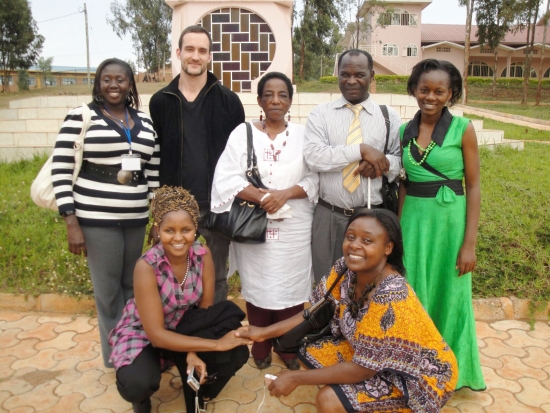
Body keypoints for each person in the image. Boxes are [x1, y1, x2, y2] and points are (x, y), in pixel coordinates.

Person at [237, 209, 458, 413]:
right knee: (309, 350)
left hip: (416, 378)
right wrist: (263, 333)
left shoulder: (391, 295)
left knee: (327, 399)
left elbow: (364, 370)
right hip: (373, 359)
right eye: (350, 237)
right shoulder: (345, 268)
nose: (354, 245)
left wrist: (295, 378)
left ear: (388, 248)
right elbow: (312, 310)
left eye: (367, 241)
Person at [51, 58, 159, 368]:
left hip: (136, 216)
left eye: (120, 80)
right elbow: (61, 168)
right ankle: (117, 360)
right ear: (98, 83)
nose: (114, 85)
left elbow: (152, 169)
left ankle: (131, 347)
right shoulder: (80, 117)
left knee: (132, 286)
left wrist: (155, 216)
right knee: (108, 292)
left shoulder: (144, 122)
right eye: (106, 79)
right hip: (97, 218)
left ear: (130, 84)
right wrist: (71, 220)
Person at [210, 72, 319, 371]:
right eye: (268, 94)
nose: (275, 100)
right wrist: (262, 197)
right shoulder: (241, 133)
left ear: (290, 100)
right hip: (254, 224)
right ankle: (260, 344)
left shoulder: (303, 135)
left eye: (282, 95)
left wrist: (284, 194)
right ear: (259, 100)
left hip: (295, 225)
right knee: (258, 284)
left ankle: (288, 345)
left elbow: (313, 177)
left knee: (293, 287)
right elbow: (227, 177)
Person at [109, 186, 251, 413]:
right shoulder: (146, 266)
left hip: (185, 328)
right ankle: (142, 396)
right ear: (158, 229)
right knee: (138, 383)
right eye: (169, 230)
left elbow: (204, 311)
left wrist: (194, 352)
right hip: (146, 333)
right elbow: (156, 335)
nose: (178, 238)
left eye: (186, 229)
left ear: (196, 229)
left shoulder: (202, 254)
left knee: (236, 353)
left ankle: (199, 389)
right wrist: (215, 344)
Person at [398, 59, 485, 391]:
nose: (430, 97)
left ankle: (452, 372)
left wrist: (469, 243)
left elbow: (474, 186)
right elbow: (404, 183)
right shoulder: (406, 130)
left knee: (450, 294)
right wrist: (399, 232)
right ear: (414, 90)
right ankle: (414, 369)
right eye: (424, 89)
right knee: (414, 294)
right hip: (414, 223)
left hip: (450, 226)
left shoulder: (464, 129)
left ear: (451, 94)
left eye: (439, 91)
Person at [149, 25, 245, 303]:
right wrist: (157, 213)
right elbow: (156, 159)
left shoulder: (228, 101)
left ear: (209, 56)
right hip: (175, 206)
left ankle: (213, 337)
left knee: (215, 277)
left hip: (217, 204)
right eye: (189, 49)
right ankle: (180, 338)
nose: (195, 56)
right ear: (178, 53)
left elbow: (239, 158)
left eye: (202, 50)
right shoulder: (161, 102)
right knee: (174, 274)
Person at [304, 49, 402, 283]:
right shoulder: (321, 114)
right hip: (329, 215)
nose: (351, 80)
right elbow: (314, 156)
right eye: (344, 74)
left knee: (367, 285)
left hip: (372, 216)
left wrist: (383, 163)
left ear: (372, 75)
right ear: (337, 74)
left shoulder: (388, 116)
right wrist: (360, 150)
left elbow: (400, 161)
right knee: (326, 286)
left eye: (359, 74)